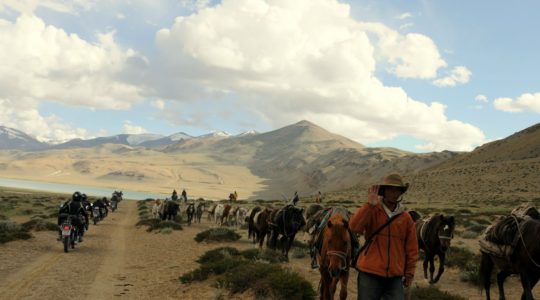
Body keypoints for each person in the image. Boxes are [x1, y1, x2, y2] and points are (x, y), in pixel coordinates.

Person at [349, 173, 418, 300]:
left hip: (395, 275)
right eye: (390, 189)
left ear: (401, 192)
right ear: (384, 191)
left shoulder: (406, 218)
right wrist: (369, 206)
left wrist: (409, 272)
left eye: (397, 189)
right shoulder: (372, 210)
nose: (393, 192)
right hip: (370, 271)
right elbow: (354, 227)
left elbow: (412, 248)